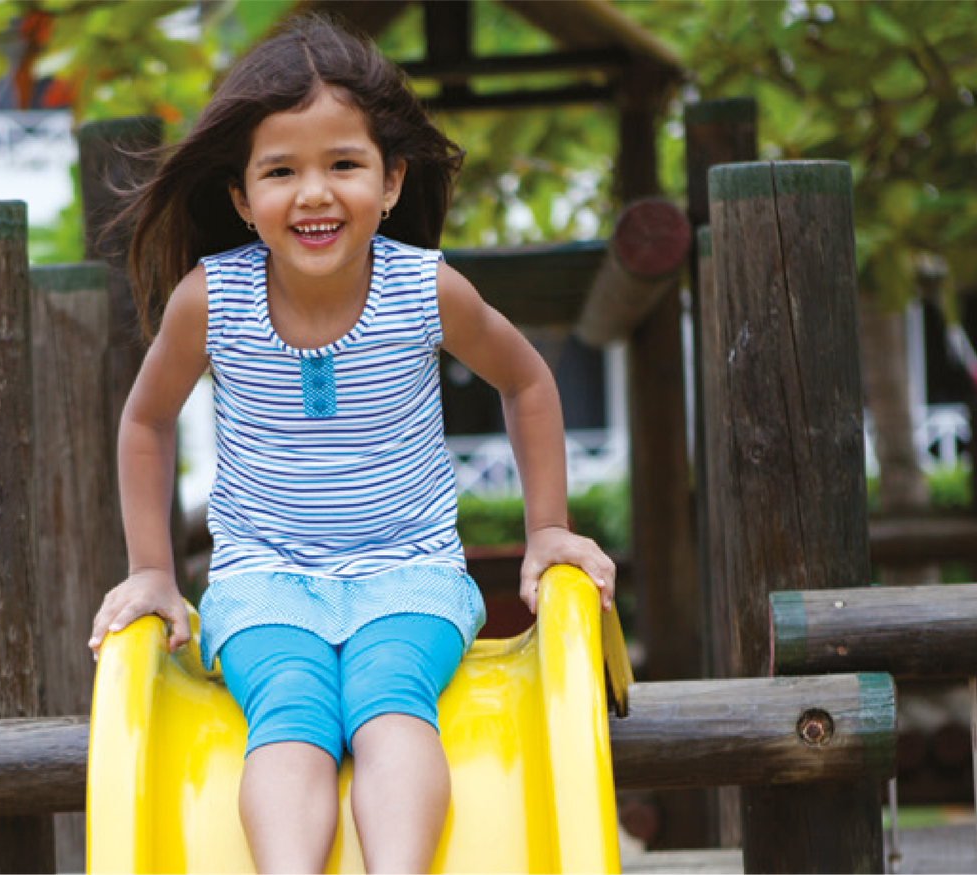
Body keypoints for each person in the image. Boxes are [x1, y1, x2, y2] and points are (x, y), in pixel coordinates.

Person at [86, 16, 615, 874]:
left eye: (343, 164)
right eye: (280, 171)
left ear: (392, 180)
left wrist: (546, 527)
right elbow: (145, 421)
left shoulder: (424, 288)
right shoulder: (209, 300)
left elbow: (526, 380)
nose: (314, 193)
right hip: (263, 578)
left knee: (388, 701)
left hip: (410, 572)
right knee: (289, 709)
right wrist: (153, 570)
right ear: (240, 197)